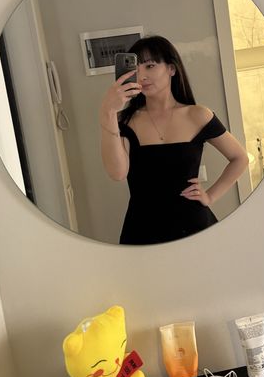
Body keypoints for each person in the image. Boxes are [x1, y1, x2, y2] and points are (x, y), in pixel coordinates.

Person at [99, 35, 249, 244]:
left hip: (195, 228)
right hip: (143, 231)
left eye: (150, 66)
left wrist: (210, 196)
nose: (142, 75)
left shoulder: (198, 115)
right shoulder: (124, 120)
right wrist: (108, 111)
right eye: (136, 69)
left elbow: (240, 158)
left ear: (171, 69)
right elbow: (118, 173)